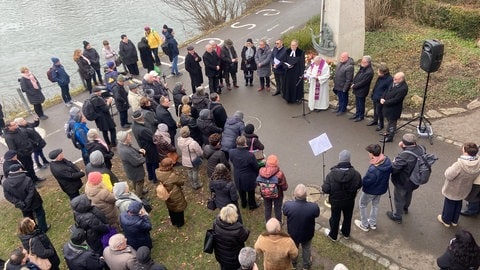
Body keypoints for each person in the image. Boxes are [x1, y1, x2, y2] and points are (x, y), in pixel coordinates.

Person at [322, 150, 362, 241]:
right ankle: (346, 233)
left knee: (335, 218)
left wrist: (324, 184)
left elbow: (326, 189)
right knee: (348, 217)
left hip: (336, 201)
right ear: (349, 160)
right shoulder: (356, 174)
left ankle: (333, 235)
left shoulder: (331, 175)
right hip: (349, 201)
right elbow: (359, 185)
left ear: (339, 159)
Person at [438, 142, 480, 227]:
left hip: (453, 188)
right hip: (465, 188)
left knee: (449, 203)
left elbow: (448, 175)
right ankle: (454, 221)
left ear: (465, 151)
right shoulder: (478, 162)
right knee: (458, 203)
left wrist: (449, 168)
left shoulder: (459, 164)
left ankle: (446, 220)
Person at [386, 133, 425, 224]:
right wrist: (404, 147)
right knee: (409, 193)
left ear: (403, 143)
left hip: (403, 181)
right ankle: (405, 208)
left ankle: (397, 216)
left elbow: (394, 169)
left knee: (399, 198)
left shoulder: (404, 156)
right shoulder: (421, 148)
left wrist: (394, 161)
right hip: (415, 180)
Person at [354, 144, 392, 232]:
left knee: (362, 205)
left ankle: (364, 224)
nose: (368, 154)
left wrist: (359, 184)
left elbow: (366, 182)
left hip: (371, 191)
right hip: (381, 189)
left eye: (369, 153)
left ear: (372, 154)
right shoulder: (387, 160)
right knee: (375, 205)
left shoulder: (373, 169)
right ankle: (372, 223)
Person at [283, 184, 320, 270]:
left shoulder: (288, 205)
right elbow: (317, 214)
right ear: (306, 195)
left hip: (293, 233)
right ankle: (306, 265)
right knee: (306, 249)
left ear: (294, 195)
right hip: (307, 234)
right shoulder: (313, 207)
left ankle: (293, 263)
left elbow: (284, 212)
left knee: (293, 248)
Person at [3, 164, 50, 233]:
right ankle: (43, 229)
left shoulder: (6, 183)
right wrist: (27, 202)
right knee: (40, 214)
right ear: (19, 170)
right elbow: (32, 192)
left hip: (22, 205)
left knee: (28, 216)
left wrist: (18, 202)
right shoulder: (27, 179)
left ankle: (32, 229)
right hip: (34, 201)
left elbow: (7, 195)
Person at [213, 204, 250, 270]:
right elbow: (244, 237)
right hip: (234, 259)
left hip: (221, 255)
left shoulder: (216, 223)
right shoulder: (238, 229)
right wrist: (247, 230)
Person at [229, 136, 260, 209]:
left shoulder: (231, 152)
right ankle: (252, 205)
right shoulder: (250, 155)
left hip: (238, 176)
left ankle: (243, 203)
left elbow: (232, 161)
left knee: (241, 191)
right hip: (248, 178)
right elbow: (256, 167)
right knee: (250, 192)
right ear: (245, 143)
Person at [157, 157, 187, 227]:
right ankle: (180, 223)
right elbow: (181, 182)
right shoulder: (172, 176)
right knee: (178, 209)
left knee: (171, 208)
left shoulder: (158, 172)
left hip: (166, 193)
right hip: (174, 194)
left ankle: (173, 222)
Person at [131, 110, 160, 184]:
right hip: (150, 148)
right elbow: (152, 138)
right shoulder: (143, 129)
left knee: (148, 162)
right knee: (154, 163)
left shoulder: (134, 126)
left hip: (144, 147)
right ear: (141, 117)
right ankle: (155, 178)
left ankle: (150, 176)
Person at [380, 72, 408, 142]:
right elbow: (386, 90)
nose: (394, 79)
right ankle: (387, 132)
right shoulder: (394, 82)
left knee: (392, 123)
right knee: (389, 121)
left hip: (394, 109)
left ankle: (390, 137)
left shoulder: (403, 88)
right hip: (387, 107)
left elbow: (396, 100)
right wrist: (382, 97)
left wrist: (385, 102)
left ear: (401, 79)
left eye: (396, 79)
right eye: (394, 78)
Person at [117, 131, 146, 198]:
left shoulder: (122, 144)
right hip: (135, 171)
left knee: (135, 181)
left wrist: (139, 150)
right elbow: (137, 162)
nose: (130, 136)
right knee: (139, 182)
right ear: (125, 139)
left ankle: (139, 190)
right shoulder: (126, 151)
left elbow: (131, 147)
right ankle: (139, 196)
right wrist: (143, 156)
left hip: (131, 170)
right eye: (128, 136)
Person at [259, 155, 288, 223]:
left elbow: (258, 183)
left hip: (265, 193)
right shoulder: (280, 174)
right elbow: (284, 187)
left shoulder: (261, 171)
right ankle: (278, 222)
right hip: (277, 194)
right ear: (276, 163)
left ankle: (268, 222)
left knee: (267, 208)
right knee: (277, 209)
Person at [367, 64, 393, 131]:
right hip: (375, 96)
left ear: (383, 72)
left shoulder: (389, 79)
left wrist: (382, 97)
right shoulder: (380, 77)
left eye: (378, 71)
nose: (377, 72)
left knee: (379, 112)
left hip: (380, 98)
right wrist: (372, 93)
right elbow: (376, 86)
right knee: (375, 111)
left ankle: (381, 125)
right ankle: (375, 121)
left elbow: (387, 90)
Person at [350, 55, 374, 121]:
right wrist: (353, 82)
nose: (361, 63)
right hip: (357, 89)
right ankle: (357, 114)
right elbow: (357, 76)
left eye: (363, 62)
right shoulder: (363, 68)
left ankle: (361, 116)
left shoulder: (369, 72)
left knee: (361, 103)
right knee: (357, 103)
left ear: (367, 62)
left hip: (362, 90)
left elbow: (363, 82)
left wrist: (354, 86)